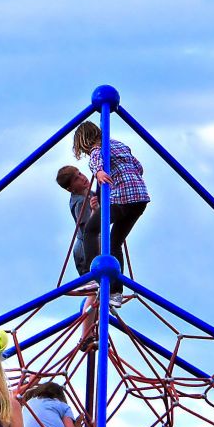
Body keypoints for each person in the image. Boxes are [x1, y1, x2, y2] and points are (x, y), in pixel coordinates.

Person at [72, 121, 150, 307]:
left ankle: (92, 277)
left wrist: (99, 172)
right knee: (115, 243)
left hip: (122, 198)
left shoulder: (98, 149)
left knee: (91, 230)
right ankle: (116, 293)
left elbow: (96, 158)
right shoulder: (120, 145)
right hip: (140, 198)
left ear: (83, 141)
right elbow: (139, 167)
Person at [55, 164, 100, 283]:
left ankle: (96, 301)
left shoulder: (89, 193)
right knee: (94, 285)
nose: (82, 177)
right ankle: (90, 302)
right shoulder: (80, 203)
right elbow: (87, 230)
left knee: (100, 285)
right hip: (85, 250)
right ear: (70, 188)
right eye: (76, 179)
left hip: (94, 244)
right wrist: (94, 210)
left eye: (79, 173)